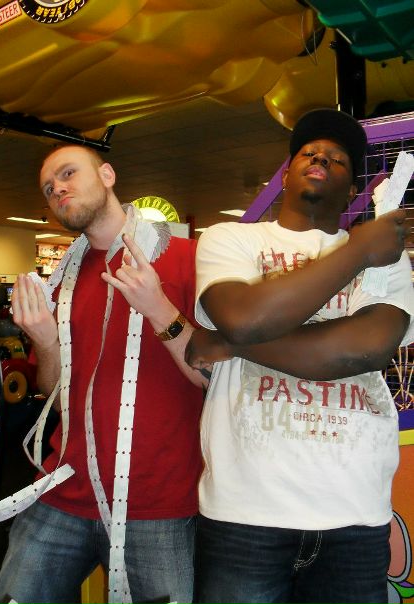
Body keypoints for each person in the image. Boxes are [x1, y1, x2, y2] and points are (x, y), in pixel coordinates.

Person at [186, 108, 414, 604]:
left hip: (353, 511)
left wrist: (231, 343)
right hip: (244, 512)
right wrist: (357, 252)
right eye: (309, 152)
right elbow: (243, 315)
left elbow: (364, 349)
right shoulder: (231, 238)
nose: (321, 158)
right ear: (285, 176)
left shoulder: (389, 260)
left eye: (337, 159)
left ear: (352, 191)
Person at [0, 145, 206, 604]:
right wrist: (45, 341)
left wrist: (159, 309)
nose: (58, 188)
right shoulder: (61, 281)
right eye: (48, 188)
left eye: (68, 173)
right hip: (63, 489)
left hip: (158, 502)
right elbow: (52, 389)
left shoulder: (189, 259)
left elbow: (211, 378)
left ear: (107, 174)